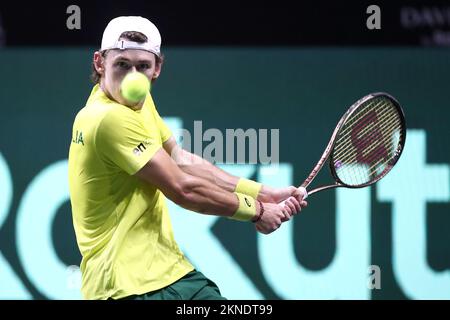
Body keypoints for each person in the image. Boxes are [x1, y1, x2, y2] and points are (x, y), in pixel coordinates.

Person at [68, 16, 307, 300]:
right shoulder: (108, 118)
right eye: (122, 65)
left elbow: (181, 160)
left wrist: (263, 192)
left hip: (170, 272)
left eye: (142, 66)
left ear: (157, 68)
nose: (133, 76)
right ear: (99, 62)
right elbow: (183, 188)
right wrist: (257, 211)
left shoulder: (136, 101)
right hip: (124, 287)